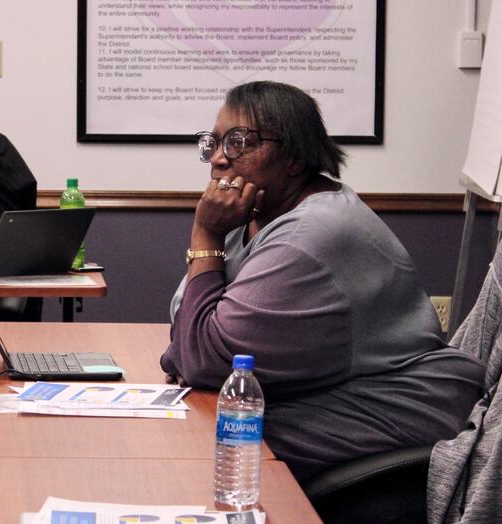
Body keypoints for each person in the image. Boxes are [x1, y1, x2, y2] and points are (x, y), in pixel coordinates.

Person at [160, 81, 486, 482]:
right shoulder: (250, 215)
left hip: (395, 409)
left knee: (215, 443)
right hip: (332, 398)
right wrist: (193, 350)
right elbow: (187, 325)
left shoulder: (311, 234)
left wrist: (203, 235)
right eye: (214, 143)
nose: (219, 160)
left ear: (294, 157)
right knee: (203, 431)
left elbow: (201, 360)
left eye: (239, 142)